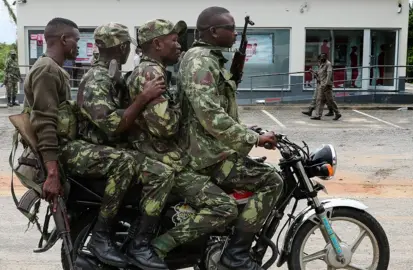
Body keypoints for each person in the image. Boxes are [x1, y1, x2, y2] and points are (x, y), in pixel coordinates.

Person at [22, 18, 139, 268]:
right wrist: (52, 172)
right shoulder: (46, 70)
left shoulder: (56, 69)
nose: (80, 45)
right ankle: (101, 235)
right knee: (124, 163)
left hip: (66, 146)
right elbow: (44, 123)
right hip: (61, 151)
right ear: (64, 39)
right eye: (77, 39)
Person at [126, 18, 240, 269]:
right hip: (160, 158)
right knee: (224, 207)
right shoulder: (150, 73)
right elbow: (165, 127)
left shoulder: (157, 71)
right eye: (174, 40)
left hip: (163, 156)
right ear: (157, 43)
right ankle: (155, 246)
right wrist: (183, 109)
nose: (180, 46)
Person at [177, 7, 283, 270]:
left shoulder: (210, 59)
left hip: (212, 148)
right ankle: (236, 254)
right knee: (272, 180)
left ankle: (225, 241)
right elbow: (210, 115)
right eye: (230, 28)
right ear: (213, 31)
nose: (235, 33)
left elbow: (218, 110)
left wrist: (249, 130)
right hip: (207, 156)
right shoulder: (200, 61)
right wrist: (254, 140)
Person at [77, 22, 178, 269]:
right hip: (91, 147)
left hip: (107, 146)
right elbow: (112, 125)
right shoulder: (96, 78)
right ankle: (124, 240)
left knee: (157, 166)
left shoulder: (113, 75)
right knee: (155, 172)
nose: (129, 52)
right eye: (127, 47)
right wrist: (144, 98)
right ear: (121, 47)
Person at [310, 53, 342, 121]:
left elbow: (329, 75)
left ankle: (337, 113)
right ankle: (318, 115)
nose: (321, 59)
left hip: (326, 85)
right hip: (321, 85)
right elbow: (319, 74)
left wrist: (326, 84)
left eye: (322, 57)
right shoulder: (321, 64)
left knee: (330, 100)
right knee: (319, 100)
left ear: (326, 58)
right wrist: (313, 72)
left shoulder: (328, 64)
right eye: (320, 57)